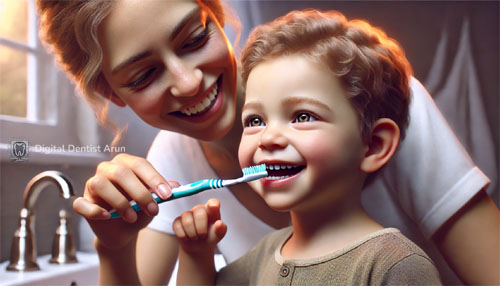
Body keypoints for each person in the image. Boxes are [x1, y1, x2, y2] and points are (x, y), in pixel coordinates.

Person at [34, 0, 498, 285]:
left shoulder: (380, 103)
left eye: (195, 39)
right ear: (114, 94)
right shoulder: (171, 163)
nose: (189, 81)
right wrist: (113, 247)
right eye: (145, 74)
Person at [173, 9, 443, 284]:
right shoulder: (260, 257)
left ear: (374, 145)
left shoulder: (395, 267)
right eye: (255, 120)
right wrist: (195, 254)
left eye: (302, 117)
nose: (267, 138)